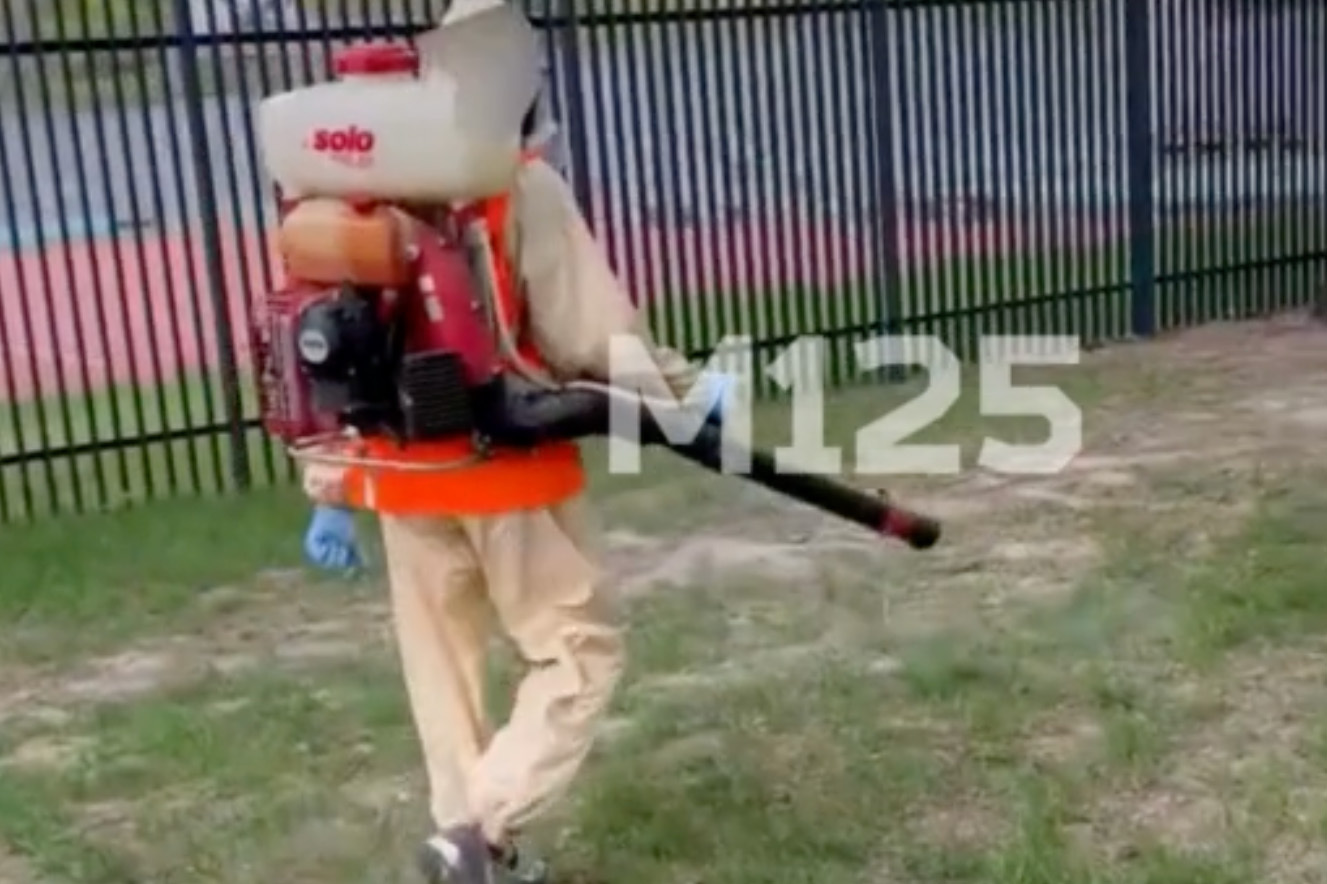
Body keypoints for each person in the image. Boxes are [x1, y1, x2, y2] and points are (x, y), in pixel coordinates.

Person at [297, 3, 736, 882]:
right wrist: (688, 397)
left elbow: (316, 348)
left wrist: (329, 487)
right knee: (579, 648)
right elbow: (592, 333)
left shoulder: (342, 189)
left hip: (398, 479)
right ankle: (480, 835)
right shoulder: (513, 183)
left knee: (444, 677)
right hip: (503, 467)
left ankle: (464, 850)